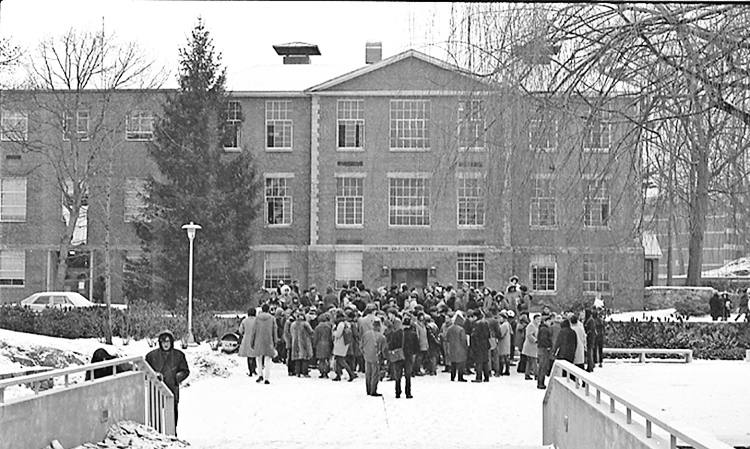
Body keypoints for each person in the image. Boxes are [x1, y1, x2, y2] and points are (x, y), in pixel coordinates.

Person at [145, 331, 190, 426]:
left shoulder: (179, 355)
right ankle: (156, 433)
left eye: (168, 341)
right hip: (156, 391)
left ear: (172, 342)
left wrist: (175, 378)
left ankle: (172, 434)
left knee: (172, 416)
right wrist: (154, 376)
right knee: (155, 416)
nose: (165, 344)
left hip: (172, 390)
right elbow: (145, 371)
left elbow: (185, 371)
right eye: (163, 341)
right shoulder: (151, 356)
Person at [388, 315, 420, 398]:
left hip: (399, 356)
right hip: (408, 357)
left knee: (398, 374)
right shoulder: (413, 334)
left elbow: (391, 345)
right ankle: (408, 392)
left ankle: (398, 392)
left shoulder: (396, 333)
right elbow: (417, 347)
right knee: (408, 375)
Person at [250, 303, 278, 385]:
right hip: (269, 340)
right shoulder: (272, 318)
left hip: (258, 340)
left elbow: (253, 331)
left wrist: (252, 341)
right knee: (268, 359)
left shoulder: (257, 319)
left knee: (258, 358)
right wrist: (275, 341)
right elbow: (274, 331)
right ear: (269, 309)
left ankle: (260, 375)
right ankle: (267, 378)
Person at [360, 319, 387, 396]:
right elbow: (383, 349)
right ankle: (373, 390)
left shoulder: (366, 334)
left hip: (367, 356)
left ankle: (368, 390)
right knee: (375, 374)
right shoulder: (382, 337)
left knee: (368, 373)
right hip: (376, 357)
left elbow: (361, 346)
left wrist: (364, 353)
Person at [332, 312, 356, 381]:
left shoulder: (340, 324)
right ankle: (338, 375)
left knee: (340, 360)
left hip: (340, 343)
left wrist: (334, 332)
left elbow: (338, 334)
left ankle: (351, 373)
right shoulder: (346, 324)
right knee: (338, 360)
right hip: (345, 343)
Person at [290, 311, 314, 377]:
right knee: (305, 359)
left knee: (297, 359)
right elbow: (311, 332)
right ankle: (304, 372)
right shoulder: (305, 324)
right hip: (304, 342)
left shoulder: (293, 324)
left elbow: (291, 332)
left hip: (295, 342)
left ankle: (297, 372)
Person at [446, 313, 468, 382]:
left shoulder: (450, 328)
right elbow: (463, 339)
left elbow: (447, 338)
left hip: (452, 347)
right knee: (461, 363)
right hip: (460, 348)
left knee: (453, 363)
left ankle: (452, 376)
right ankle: (460, 377)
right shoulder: (461, 329)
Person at [471, 310, 491, 383]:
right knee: (485, 361)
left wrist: (474, 345)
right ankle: (486, 377)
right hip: (485, 343)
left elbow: (474, 335)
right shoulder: (486, 323)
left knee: (479, 361)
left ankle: (478, 377)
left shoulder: (476, 324)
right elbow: (489, 334)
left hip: (479, 344)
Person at [237, 307, 257, 376]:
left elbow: (240, 331)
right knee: (254, 355)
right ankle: (254, 369)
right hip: (255, 339)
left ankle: (250, 371)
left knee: (249, 356)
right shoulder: (257, 320)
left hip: (247, 339)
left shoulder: (244, 321)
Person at [313, 313, 334, 378]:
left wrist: (314, 345)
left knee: (321, 360)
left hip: (319, 345)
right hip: (327, 344)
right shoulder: (329, 327)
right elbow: (331, 336)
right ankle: (326, 371)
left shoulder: (317, 328)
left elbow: (315, 337)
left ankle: (322, 372)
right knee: (327, 359)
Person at [536, 315, 553, 389]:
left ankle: (540, 382)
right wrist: (548, 346)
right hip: (544, 349)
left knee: (541, 366)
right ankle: (541, 383)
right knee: (543, 366)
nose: (550, 323)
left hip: (541, 348)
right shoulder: (545, 329)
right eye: (549, 321)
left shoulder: (541, 328)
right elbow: (544, 339)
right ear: (545, 322)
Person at [522, 314, 540, 381]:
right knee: (534, 360)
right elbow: (529, 335)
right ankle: (536, 374)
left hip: (532, 346)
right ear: (534, 319)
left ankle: (527, 374)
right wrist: (536, 340)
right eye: (537, 319)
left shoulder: (536, 325)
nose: (539, 321)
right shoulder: (531, 325)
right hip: (530, 346)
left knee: (530, 361)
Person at [497, 311, 512, 376]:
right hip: (507, 342)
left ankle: (501, 370)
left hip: (503, 343)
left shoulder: (504, 325)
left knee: (502, 357)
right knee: (506, 357)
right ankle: (507, 370)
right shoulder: (508, 324)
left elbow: (501, 334)